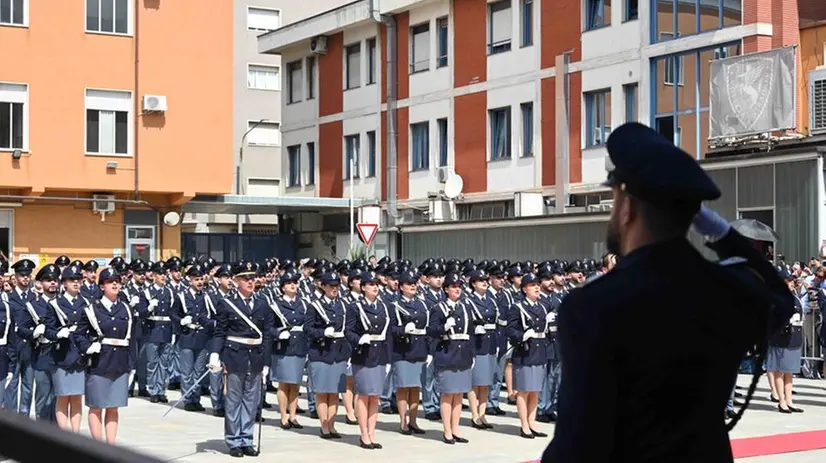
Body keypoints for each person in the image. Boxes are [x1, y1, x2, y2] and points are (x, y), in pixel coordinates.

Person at [541, 122, 794, 462]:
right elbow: (780, 296)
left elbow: (581, 444)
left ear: (627, 208)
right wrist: (722, 233)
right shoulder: (729, 291)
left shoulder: (592, 306)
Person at [207, 261, 273, 458]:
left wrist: (267, 362)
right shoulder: (226, 303)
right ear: (236, 281)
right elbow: (220, 332)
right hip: (235, 355)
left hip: (256, 356)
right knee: (234, 400)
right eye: (245, 278)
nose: (250, 282)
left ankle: (247, 439)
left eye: (252, 278)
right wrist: (215, 354)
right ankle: (234, 441)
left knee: (251, 401)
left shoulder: (262, 303)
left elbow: (267, 334)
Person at [73, 268, 134, 444]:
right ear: (101, 286)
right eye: (109, 281)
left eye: (117, 281)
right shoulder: (92, 309)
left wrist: (132, 365)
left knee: (114, 407)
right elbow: (78, 334)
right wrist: (88, 346)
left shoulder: (126, 309)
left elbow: (132, 339)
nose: (115, 284)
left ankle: (110, 445)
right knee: (96, 407)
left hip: (120, 362)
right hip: (99, 362)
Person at [346, 271, 390, 449]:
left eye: (376, 284)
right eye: (371, 284)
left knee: (375, 396)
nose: (375, 287)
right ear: (363, 287)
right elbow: (348, 331)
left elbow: (389, 335)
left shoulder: (384, 307)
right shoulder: (355, 307)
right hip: (363, 355)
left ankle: (372, 432)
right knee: (364, 395)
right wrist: (359, 339)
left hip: (379, 355)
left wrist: (388, 358)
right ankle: (363, 433)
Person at [428, 272, 473, 445]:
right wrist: (444, 327)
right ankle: (446, 430)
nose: (457, 289)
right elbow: (431, 332)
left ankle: (456, 429)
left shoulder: (465, 307)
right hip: (447, 353)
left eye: (459, 287)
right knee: (447, 394)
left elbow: (470, 333)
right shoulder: (438, 309)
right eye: (453, 287)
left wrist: (472, 354)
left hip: (463, 355)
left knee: (459, 395)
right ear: (446, 289)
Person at [304, 271, 350, 440]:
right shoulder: (314, 305)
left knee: (334, 392)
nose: (334, 289)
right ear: (322, 286)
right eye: (331, 286)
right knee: (322, 391)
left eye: (337, 286)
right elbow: (307, 329)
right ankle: (324, 426)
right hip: (321, 352)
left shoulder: (343, 305)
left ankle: (332, 425)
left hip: (338, 353)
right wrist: (323, 332)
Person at [44, 265, 88, 432]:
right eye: (72, 280)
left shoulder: (86, 303)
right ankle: (63, 434)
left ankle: (75, 434)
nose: (76, 283)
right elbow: (48, 330)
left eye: (78, 280)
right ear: (64, 283)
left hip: (79, 355)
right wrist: (57, 333)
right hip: (62, 355)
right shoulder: (55, 304)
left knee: (77, 397)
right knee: (62, 397)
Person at [508, 273, 548, 439]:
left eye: (537, 284)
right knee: (524, 391)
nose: (537, 287)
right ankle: (524, 425)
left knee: (535, 391)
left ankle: (532, 422)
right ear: (524, 289)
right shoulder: (517, 307)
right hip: (525, 352)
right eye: (532, 285)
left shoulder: (542, 306)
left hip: (539, 352)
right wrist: (523, 335)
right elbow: (510, 330)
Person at [391, 270, 428, 435]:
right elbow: (390, 328)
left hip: (419, 348)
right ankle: (403, 421)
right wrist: (402, 329)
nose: (413, 286)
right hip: (403, 350)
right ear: (401, 287)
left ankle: (413, 420)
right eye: (409, 284)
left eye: (414, 283)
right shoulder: (394, 305)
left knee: (415, 387)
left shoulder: (421, 304)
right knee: (403, 387)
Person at [271, 271, 309, 430]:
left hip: (299, 345)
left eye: (295, 282)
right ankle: (283, 416)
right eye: (289, 283)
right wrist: (279, 333)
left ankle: (293, 415)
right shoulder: (276, 305)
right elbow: (269, 327)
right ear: (282, 287)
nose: (293, 285)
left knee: (295, 384)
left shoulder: (304, 303)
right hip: (284, 347)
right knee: (284, 383)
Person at [767, 269, 804, 413]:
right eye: (788, 281)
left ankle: (789, 400)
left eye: (792, 281)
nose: (791, 283)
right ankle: (781, 401)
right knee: (780, 371)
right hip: (781, 338)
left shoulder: (795, 296)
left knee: (789, 372)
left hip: (794, 338)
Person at [465, 269, 497, 430]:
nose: (485, 282)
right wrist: (473, 328)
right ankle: (474, 415)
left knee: (485, 383)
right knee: (475, 382)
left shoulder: (491, 300)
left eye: (486, 280)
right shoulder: (468, 301)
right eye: (480, 280)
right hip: (476, 344)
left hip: (489, 343)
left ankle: (482, 414)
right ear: (473, 283)